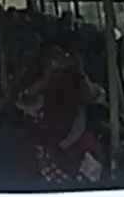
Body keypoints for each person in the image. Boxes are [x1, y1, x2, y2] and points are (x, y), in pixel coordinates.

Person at [9, 39, 108, 184]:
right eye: (51, 58)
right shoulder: (34, 81)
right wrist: (46, 79)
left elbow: (93, 97)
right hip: (42, 150)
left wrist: (80, 72)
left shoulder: (75, 79)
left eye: (60, 56)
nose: (57, 62)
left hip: (77, 145)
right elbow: (25, 101)